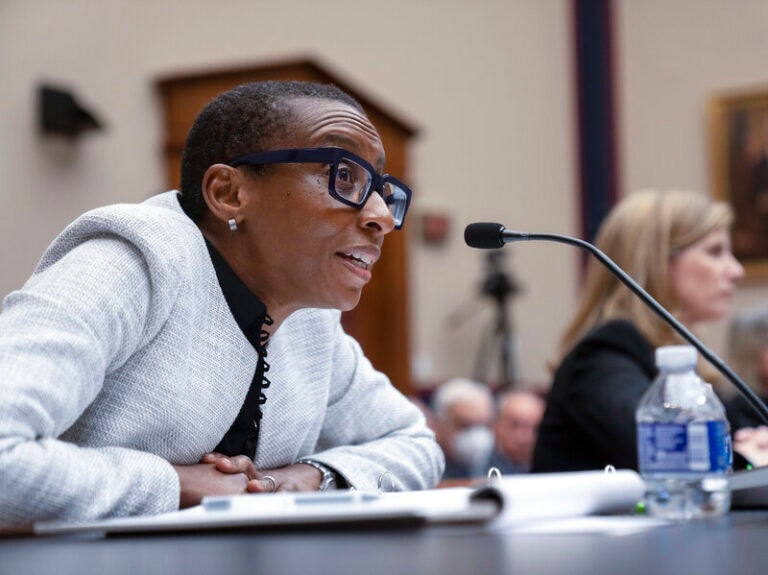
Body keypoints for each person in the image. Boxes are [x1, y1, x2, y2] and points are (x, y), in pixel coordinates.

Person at [0, 81, 444, 528]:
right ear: (229, 193)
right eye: (344, 176)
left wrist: (302, 480)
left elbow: (413, 443)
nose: (383, 217)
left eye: (383, 190)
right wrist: (176, 486)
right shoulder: (131, 263)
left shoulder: (311, 320)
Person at [531, 189, 745, 473]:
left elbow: (739, 426)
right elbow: (670, 451)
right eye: (715, 252)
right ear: (655, 262)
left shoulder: (673, 359)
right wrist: (747, 454)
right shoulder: (603, 356)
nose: (736, 271)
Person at [431, 377, 495, 479]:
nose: (477, 436)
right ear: (439, 425)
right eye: (466, 426)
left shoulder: (498, 469)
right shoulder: (427, 471)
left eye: (483, 425)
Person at [487, 390, 544, 474]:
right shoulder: (476, 467)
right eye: (515, 425)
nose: (525, 438)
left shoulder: (552, 470)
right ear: (495, 426)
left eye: (535, 428)